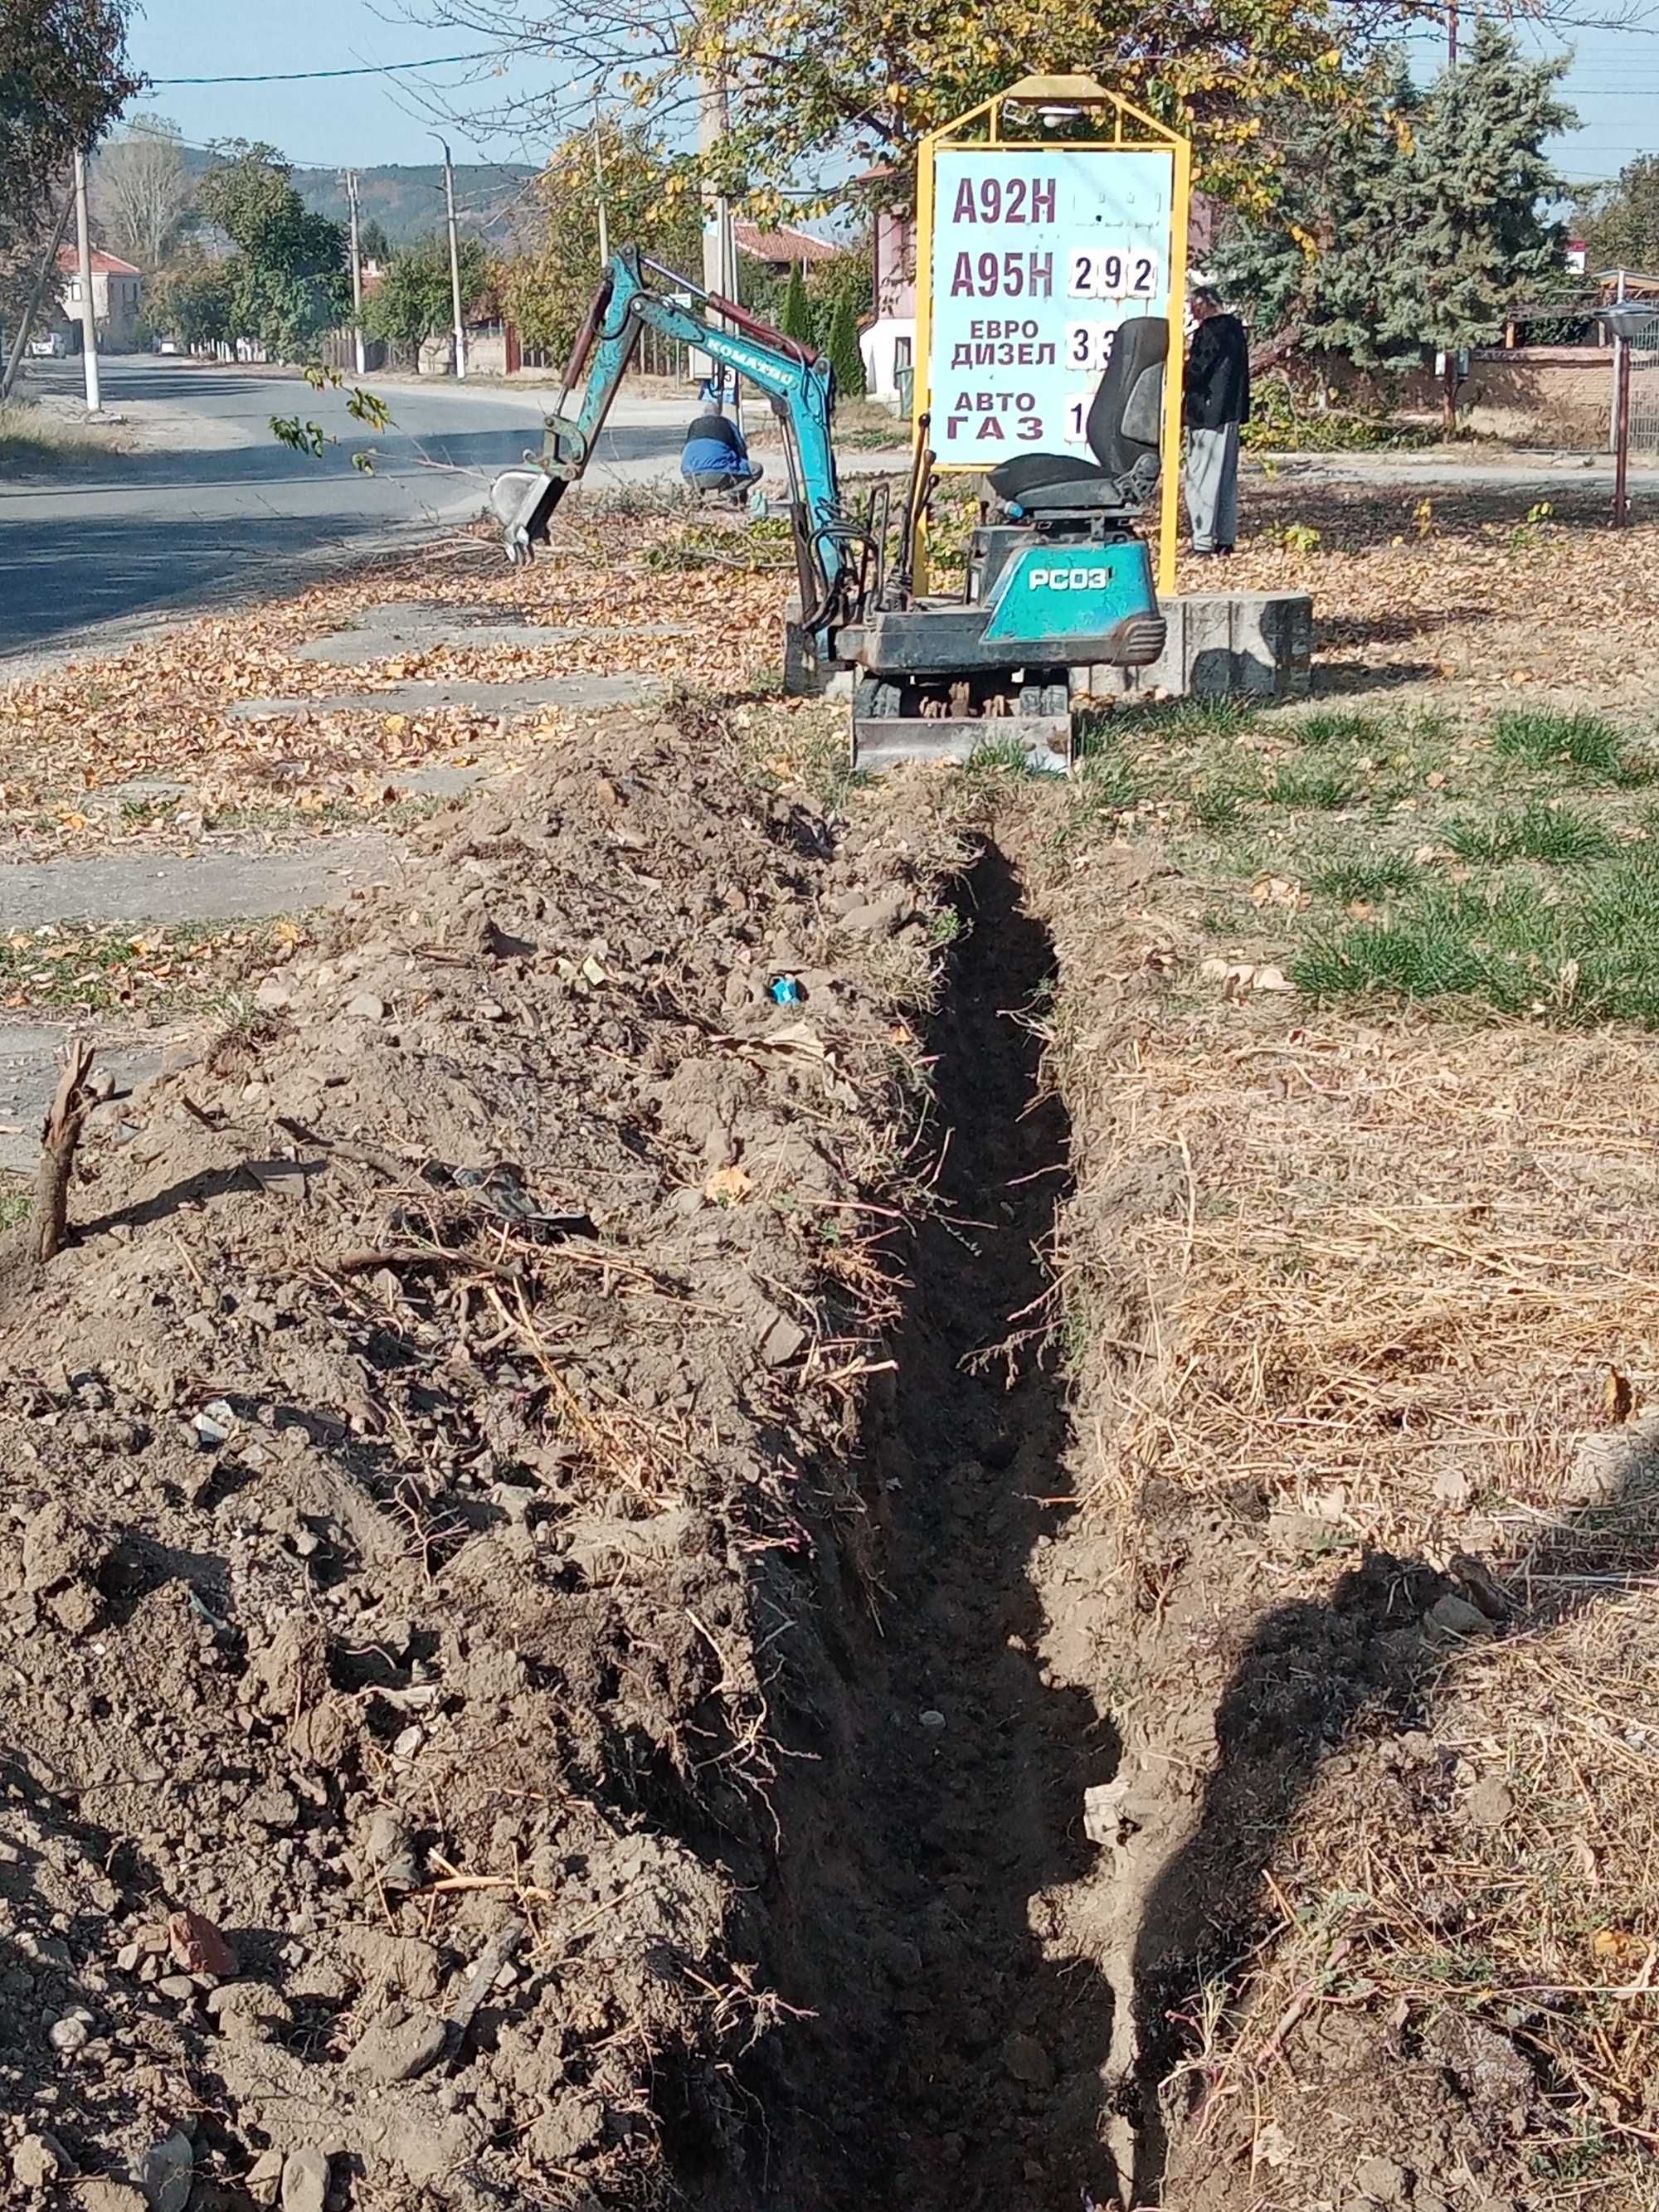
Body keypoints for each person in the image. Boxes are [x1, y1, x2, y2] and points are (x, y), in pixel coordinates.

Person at [1183, 283, 1250, 557]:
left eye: (1191, 306)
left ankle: (1202, 540)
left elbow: (1197, 372)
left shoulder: (1208, 332)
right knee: (1226, 479)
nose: (1191, 312)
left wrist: (1183, 361)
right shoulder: (1236, 330)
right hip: (1232, 412)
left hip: (1207, 414)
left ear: (1202, 304)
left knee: (1202, 476)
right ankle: (1225, 539)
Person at [680, 404, 763, 497]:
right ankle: (733, 492)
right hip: (718, 475)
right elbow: (741, 447)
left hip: (690, 476)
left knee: (702, 464)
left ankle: (697, 496)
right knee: (757, 469)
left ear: (702, 414)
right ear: (719, 414)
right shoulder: (726, 423)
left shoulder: (694, 425)